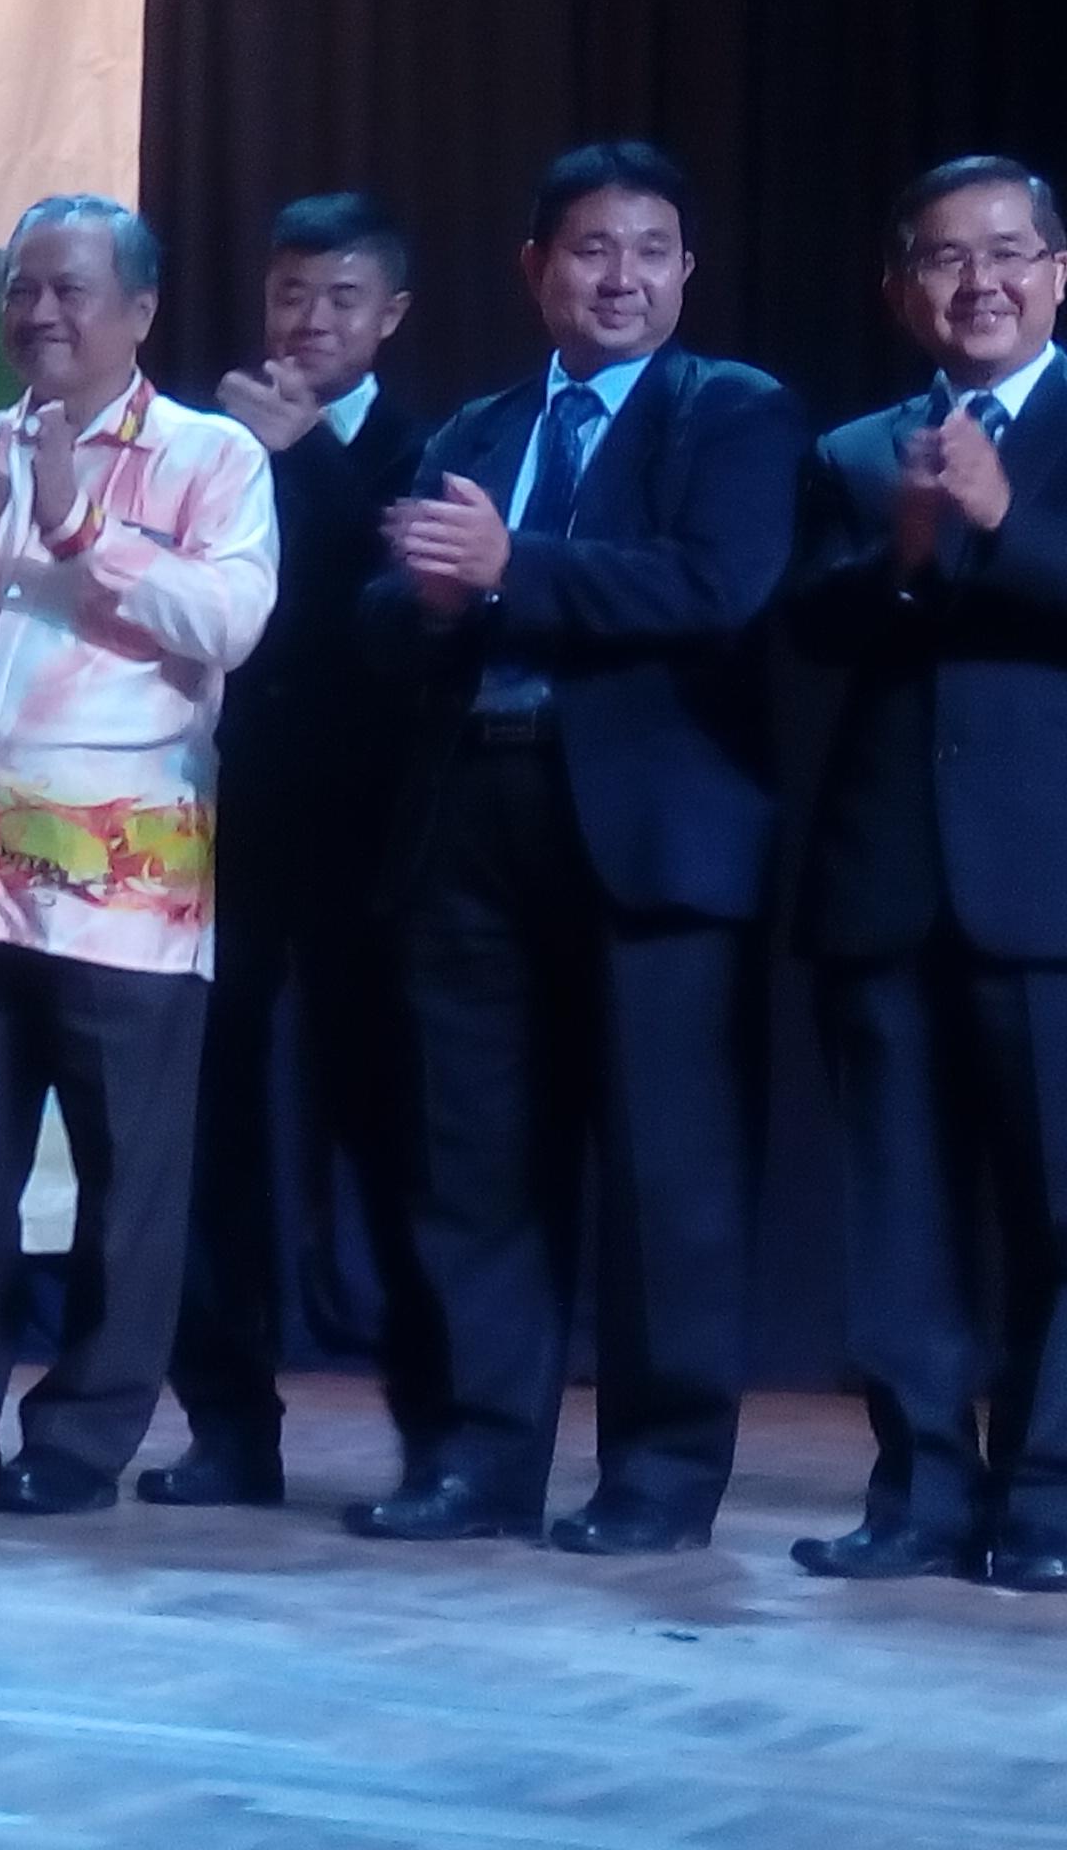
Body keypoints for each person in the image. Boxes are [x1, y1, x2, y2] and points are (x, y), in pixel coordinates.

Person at [352, 140, 803, 1555]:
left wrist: (508, 574)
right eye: (593, 249)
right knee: (473, 1158)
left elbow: (717, 586)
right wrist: (421, 602)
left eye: (652, 251)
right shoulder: (478, 428)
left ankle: (660, 1483)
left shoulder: (732, 412)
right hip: (473, 817)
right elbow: (382, 614)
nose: (622, 276)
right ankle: (480, 1462)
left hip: (655, 834)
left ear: (685, 273)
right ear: (536, 269)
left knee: (667, 1171)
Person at [0, 195, 275, 1517]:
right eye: (23, 290)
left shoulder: (212, 458)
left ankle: (81, 1444)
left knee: (127, 1179)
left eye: (72, 291)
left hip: (117, 872)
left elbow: (231, 622)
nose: (39, 314)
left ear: (141, 311)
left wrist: (85, 532)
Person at [783, 156, 1067, 1590]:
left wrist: (1006, 522)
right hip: (890, 886)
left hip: (1050, 888)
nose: (981, 284)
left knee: (1060, 1205)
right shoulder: (851, 451)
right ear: (904, 291)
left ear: (1059, 273)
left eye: (1009, 253)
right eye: (947, 260)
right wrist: (902, 551)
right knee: (903, 1209)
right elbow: (796, 651)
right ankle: (920, 1494)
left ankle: (1052, 1500)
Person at [146, 192, 438, 1507]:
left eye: (340, 298)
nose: (309, 321)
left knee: (396, 1137)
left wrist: (308, 455)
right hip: (226, 829)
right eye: (288, 295)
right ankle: (227, 1426)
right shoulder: (201, 448)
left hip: (381, 847)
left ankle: (439, 1435)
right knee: (218, 1135)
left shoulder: (431, 447)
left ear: (391, 316)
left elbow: (387, 616)